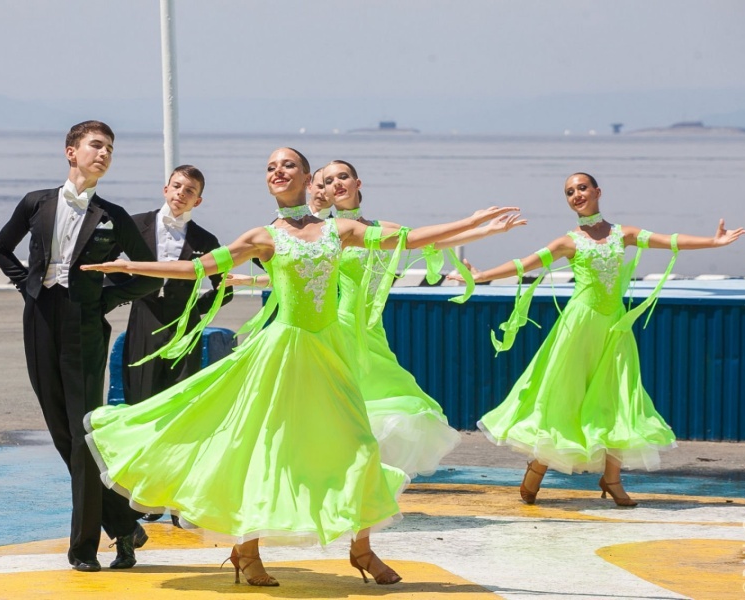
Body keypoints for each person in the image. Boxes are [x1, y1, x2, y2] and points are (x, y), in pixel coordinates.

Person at [80, 147, 516, 587]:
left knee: (360, 446)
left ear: (309, 180)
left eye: (287, 164)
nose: (278, 171)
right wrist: (130, 266)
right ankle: (247, 552)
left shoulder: (339, 230)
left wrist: (472, 223)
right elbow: (198, 269)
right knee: (261, 450)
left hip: (329, 352)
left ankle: (361, 548)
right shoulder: (263, 237)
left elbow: (411, 239)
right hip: (281, 354)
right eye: (271, 167)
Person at [450, 172, 745, 506]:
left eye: (582, 187)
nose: (576, 194)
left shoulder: (624, 234)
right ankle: (538, 465)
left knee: (617, 397)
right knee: (563, 396)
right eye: (569, 191)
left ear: (597, 191)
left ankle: (612, 478)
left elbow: (670, 241)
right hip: (578, 328)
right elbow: (524, 265)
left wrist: (714, 242)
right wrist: (481, 276)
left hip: (614, 328)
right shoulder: (568, 242)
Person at [232, 159, 525, 477]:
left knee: (392, 397)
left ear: (358, 183)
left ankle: (363, 472)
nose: (336, 184)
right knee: (338, 402)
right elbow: (297, 277)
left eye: (343, 177)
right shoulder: (326, 233)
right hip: (338, 326)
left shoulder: (380, 229)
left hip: (372, 330)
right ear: (323, 192)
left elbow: (428, 241)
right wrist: (250, 280)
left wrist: (484, 229)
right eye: (328, 181)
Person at [0, 120, 158, 572]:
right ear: (71, 152)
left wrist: (106, 298)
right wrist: (27, 286)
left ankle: (84, 548)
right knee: (61, 431)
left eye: (110, 149)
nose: (104, 154)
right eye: (96, 145)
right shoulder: (37, 202)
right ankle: (123, 523)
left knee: (84, 434)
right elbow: (0, 248)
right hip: (39, 319)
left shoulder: (112, 215)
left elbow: (148, 273)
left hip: (85, 324)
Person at [119, 165, 232, 406]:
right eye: (177, 186)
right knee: (139, 394)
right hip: (143, 319)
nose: (181, 193)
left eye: (190, 190)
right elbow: (105, 260)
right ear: (166, 189)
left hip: (185, 327)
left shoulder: (205, 240)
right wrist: (123, 293)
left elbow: (225, 288)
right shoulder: (135, 225)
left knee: (180, 396)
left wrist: (193, 310)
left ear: (197, 201)